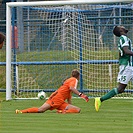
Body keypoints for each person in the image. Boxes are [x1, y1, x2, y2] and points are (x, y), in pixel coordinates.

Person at [95, 25, 133, 111]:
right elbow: (126, 51)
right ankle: (100, 99)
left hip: (129, 66)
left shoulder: (124, 39)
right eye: (121, 26)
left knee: (121, 89)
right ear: (120, 31)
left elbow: (121, 54)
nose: (123, 26)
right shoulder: (124, 38)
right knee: (120, 89)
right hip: (127, 67)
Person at [16, 69, 89, 114]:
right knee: (41, 110)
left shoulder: (68, 84)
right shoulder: (74, 80)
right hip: (56, 99)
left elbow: (69, 99)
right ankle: (21, 111)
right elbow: (72, 88)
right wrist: (81, 95)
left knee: (77, 109)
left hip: (60, 102)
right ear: (78, 76)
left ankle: (61, 112)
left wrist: (69, 108)